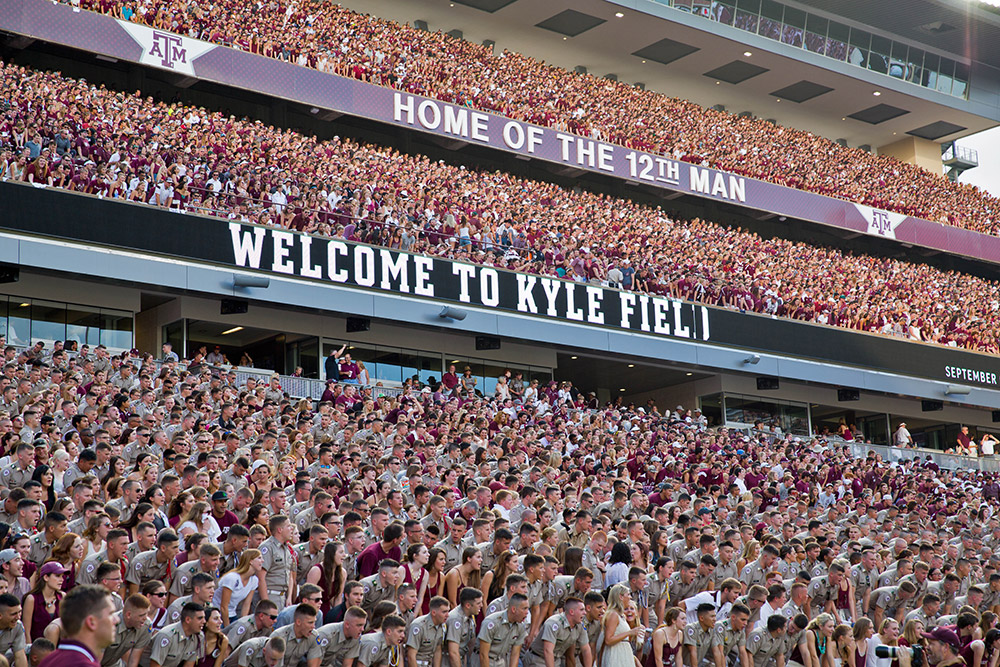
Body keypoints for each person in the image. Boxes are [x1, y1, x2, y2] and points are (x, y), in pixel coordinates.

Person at [37, 585, 119, 667]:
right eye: (111, 614)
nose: (117, 620)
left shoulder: (49, 660)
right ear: (91, 622)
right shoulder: (84, 664)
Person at [213, 550, 266, 626]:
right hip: (218, 614)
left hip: (232, 614)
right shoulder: (232, 578)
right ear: (250, 561)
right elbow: (224, 606)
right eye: (259, 558)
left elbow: (246, 604)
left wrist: (242, 623)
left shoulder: (254, 580)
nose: (263, 561)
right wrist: (227, 626)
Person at [23, 562, 66, 642]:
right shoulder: (31, 599)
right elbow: (26, 632)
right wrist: (29, 651)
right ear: (46, 577)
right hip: (37, 648)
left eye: (62, 576)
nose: (62, 579)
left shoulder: (62, 597)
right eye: (57, 576)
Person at [601, 584, 642, 667]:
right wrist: (629, 632)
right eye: (628, 594)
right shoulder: (613, 614)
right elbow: (608, 640)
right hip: (616, 653)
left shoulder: (621, 615)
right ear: (621, 596)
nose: (630, 597)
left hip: (624, 652)